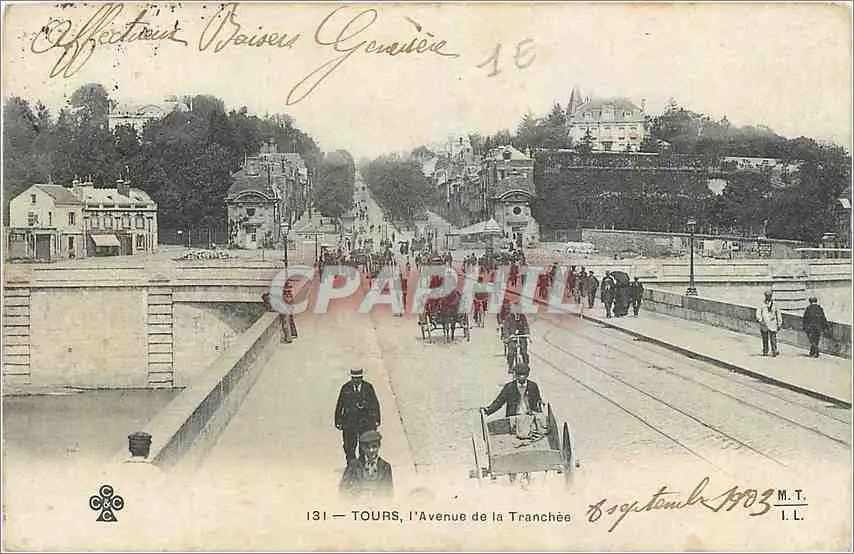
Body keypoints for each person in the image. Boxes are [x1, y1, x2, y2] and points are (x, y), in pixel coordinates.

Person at [334, 368, 381, 464]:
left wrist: (377, 419)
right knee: (349, 445)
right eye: (354, 378)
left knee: (364, 444)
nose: (356, 380)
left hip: (365, 422)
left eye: (358, 378)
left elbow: (375, 404)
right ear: (351, 378)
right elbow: (340, 404)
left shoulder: (368, 388)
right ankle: (351, 464)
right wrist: (338, 420)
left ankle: (362, 464)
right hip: (350, 422)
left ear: (362, 377)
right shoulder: (346, 388)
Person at [339, 430, 394, 499]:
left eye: (374, 447)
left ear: (379, 446)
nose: (371, 450)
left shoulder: (385, 467)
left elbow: (389, 492)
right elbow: (343, 488)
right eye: (367, 447)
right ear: (363, 448)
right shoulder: (354, 465)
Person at [755, 291, 782, 357]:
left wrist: (779, 323)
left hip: (773, 323)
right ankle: (765, 351)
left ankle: (774, 351)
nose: (768, 297)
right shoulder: (762, 304)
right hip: (764, 324)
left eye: (769, 296)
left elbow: (778, 314)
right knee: (765, 338)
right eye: (767, 296)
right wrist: (760, 320)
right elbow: (758, 313)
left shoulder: (775, 304)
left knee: (773, 338)